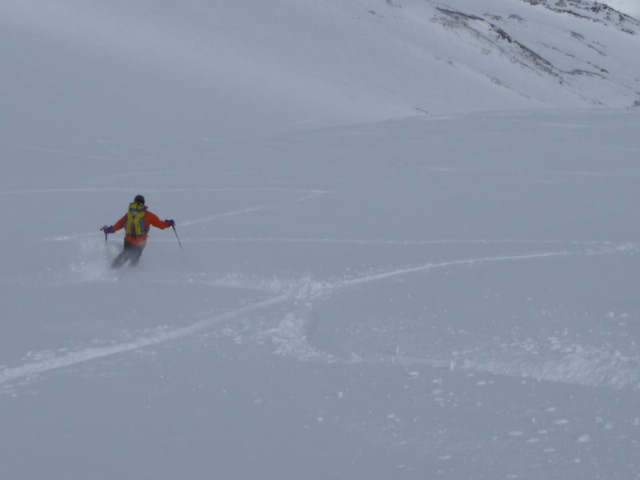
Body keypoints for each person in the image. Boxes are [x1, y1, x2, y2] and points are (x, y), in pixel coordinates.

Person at [101, 195, 175, 268]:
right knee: (135, 257)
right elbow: (161, 225)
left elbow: (119, 224)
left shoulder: (129, 214)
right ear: (143, 203)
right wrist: (168, 223)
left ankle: (114, 268)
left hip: (128, 239)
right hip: (140, 241)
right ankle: (132, 272)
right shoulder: (149, 215)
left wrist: (110, 230)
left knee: (125, 253)